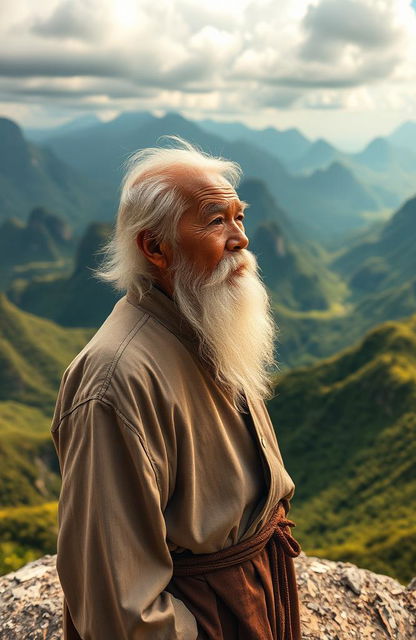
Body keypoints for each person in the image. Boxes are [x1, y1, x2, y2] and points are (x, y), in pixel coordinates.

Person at [51, 137, 301, 639]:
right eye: (215, 220)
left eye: (239, 217)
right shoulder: (115, 383)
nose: (240, 239)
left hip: (249, 604)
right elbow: (120, 611)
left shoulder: (206, 325)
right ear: (155, 248)